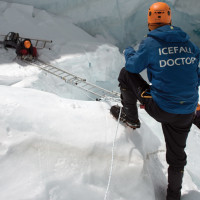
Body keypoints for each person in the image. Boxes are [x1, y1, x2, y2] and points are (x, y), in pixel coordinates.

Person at [110, 2, 200, 200]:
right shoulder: (189, 44)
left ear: (150, 21)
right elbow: (196, 75)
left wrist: (128, 52)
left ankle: (131, 117)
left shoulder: (150, 43)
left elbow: (133, 66)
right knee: (177, 157)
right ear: (169, 18)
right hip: (187, 111)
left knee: (126, 74)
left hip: (161, 107)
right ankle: (173, 196)